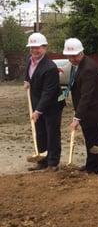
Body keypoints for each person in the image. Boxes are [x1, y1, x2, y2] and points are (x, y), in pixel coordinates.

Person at [63, 38, 98, 174]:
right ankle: (92, 164)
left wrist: (77, 117)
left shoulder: (88, 68)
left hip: (95, 109)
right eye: (69, 56)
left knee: (93, 139)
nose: (72, 59)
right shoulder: (79, 64)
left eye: (74, 56)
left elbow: (86, 95)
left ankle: (93, 168)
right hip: (89, 109)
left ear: (81, 52)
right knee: (90, 138)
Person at [24, 32, 64, 172]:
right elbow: (28, 73)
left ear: (45, 47)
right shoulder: (30, 60)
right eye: (32, 47)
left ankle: (53, 163)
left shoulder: (50, 67)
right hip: (37, 102)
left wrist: (38, 111)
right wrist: (27, 81)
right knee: (40, 132)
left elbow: (49, 92)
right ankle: (42, 160)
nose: (34, 50)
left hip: (52, 105)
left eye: (38, 47)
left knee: (51, 133)